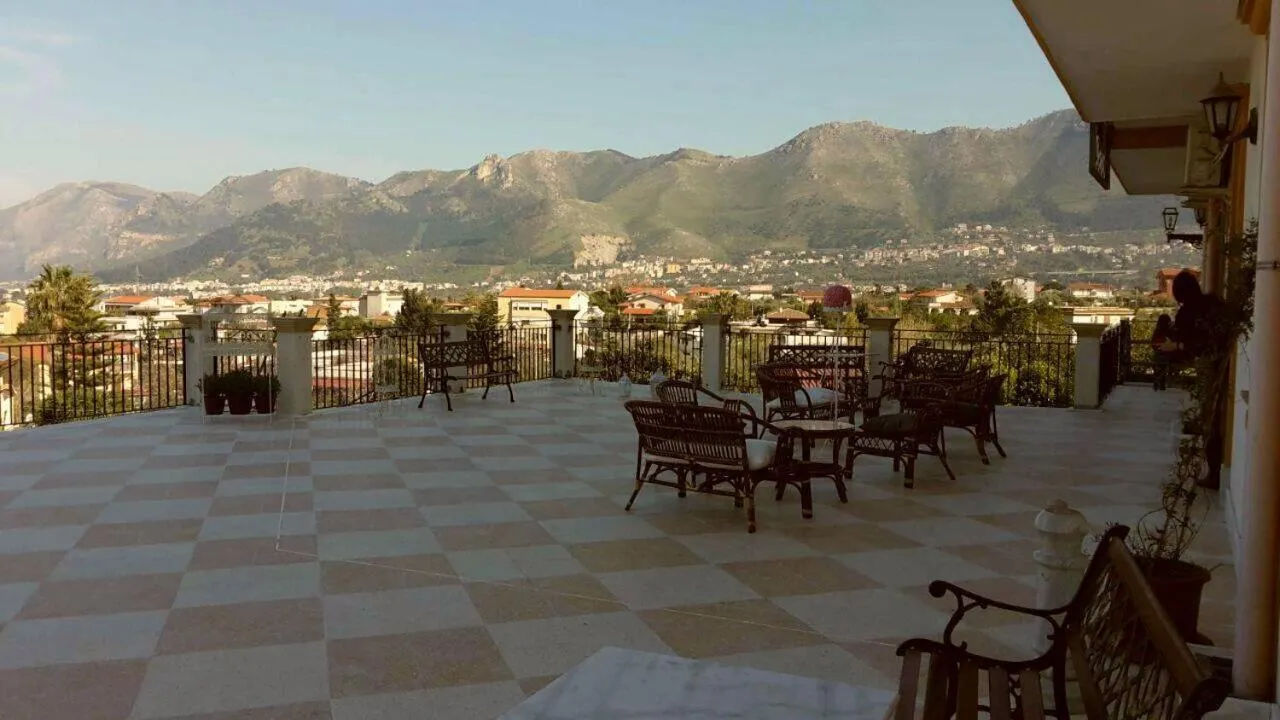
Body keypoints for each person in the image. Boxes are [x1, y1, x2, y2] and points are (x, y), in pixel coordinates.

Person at [1150, 314, 1173, 391]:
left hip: (1159, 352)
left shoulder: (1157, 330)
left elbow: (1153, 342)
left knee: (1158, 367)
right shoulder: (1169, 330)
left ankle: (1157, 381)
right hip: (1167, 352)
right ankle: (1162, 384)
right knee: (1163, 367)